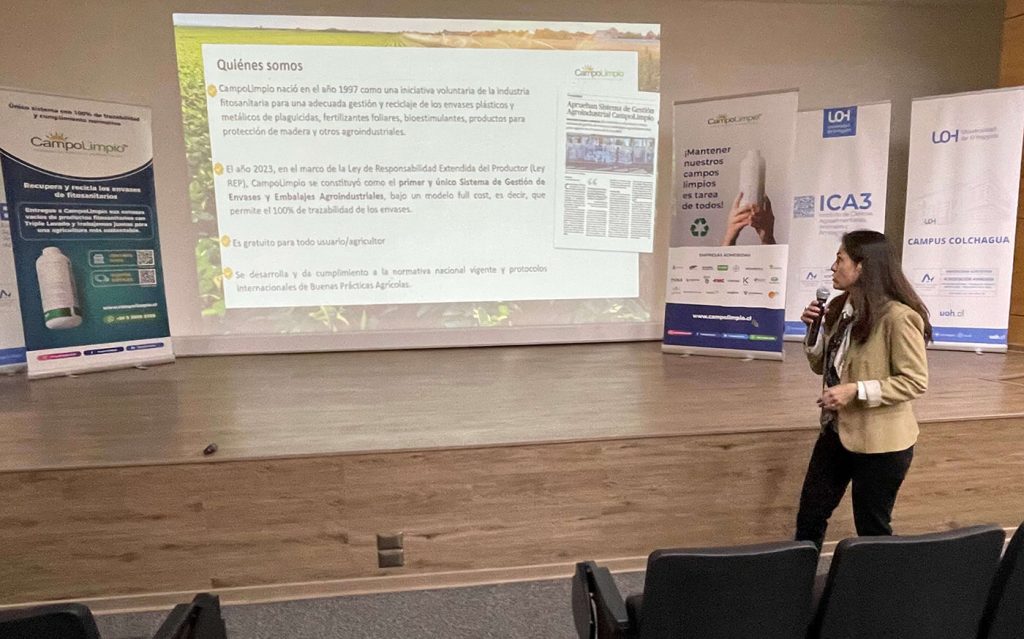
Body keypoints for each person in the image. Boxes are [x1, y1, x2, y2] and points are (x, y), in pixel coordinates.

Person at [795, 230, 931, 549]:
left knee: (872, 528)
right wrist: (813, 331)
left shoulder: (898, 317)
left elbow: (914, 380)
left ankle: (879, 582)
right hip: (836, 432)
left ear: (862, 267)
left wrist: (856, 390)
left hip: (882, 443)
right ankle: (798, 577)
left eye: (840, 259)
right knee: (810, 517)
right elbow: (824, 367)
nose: (833, 267)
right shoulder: (841, 308)